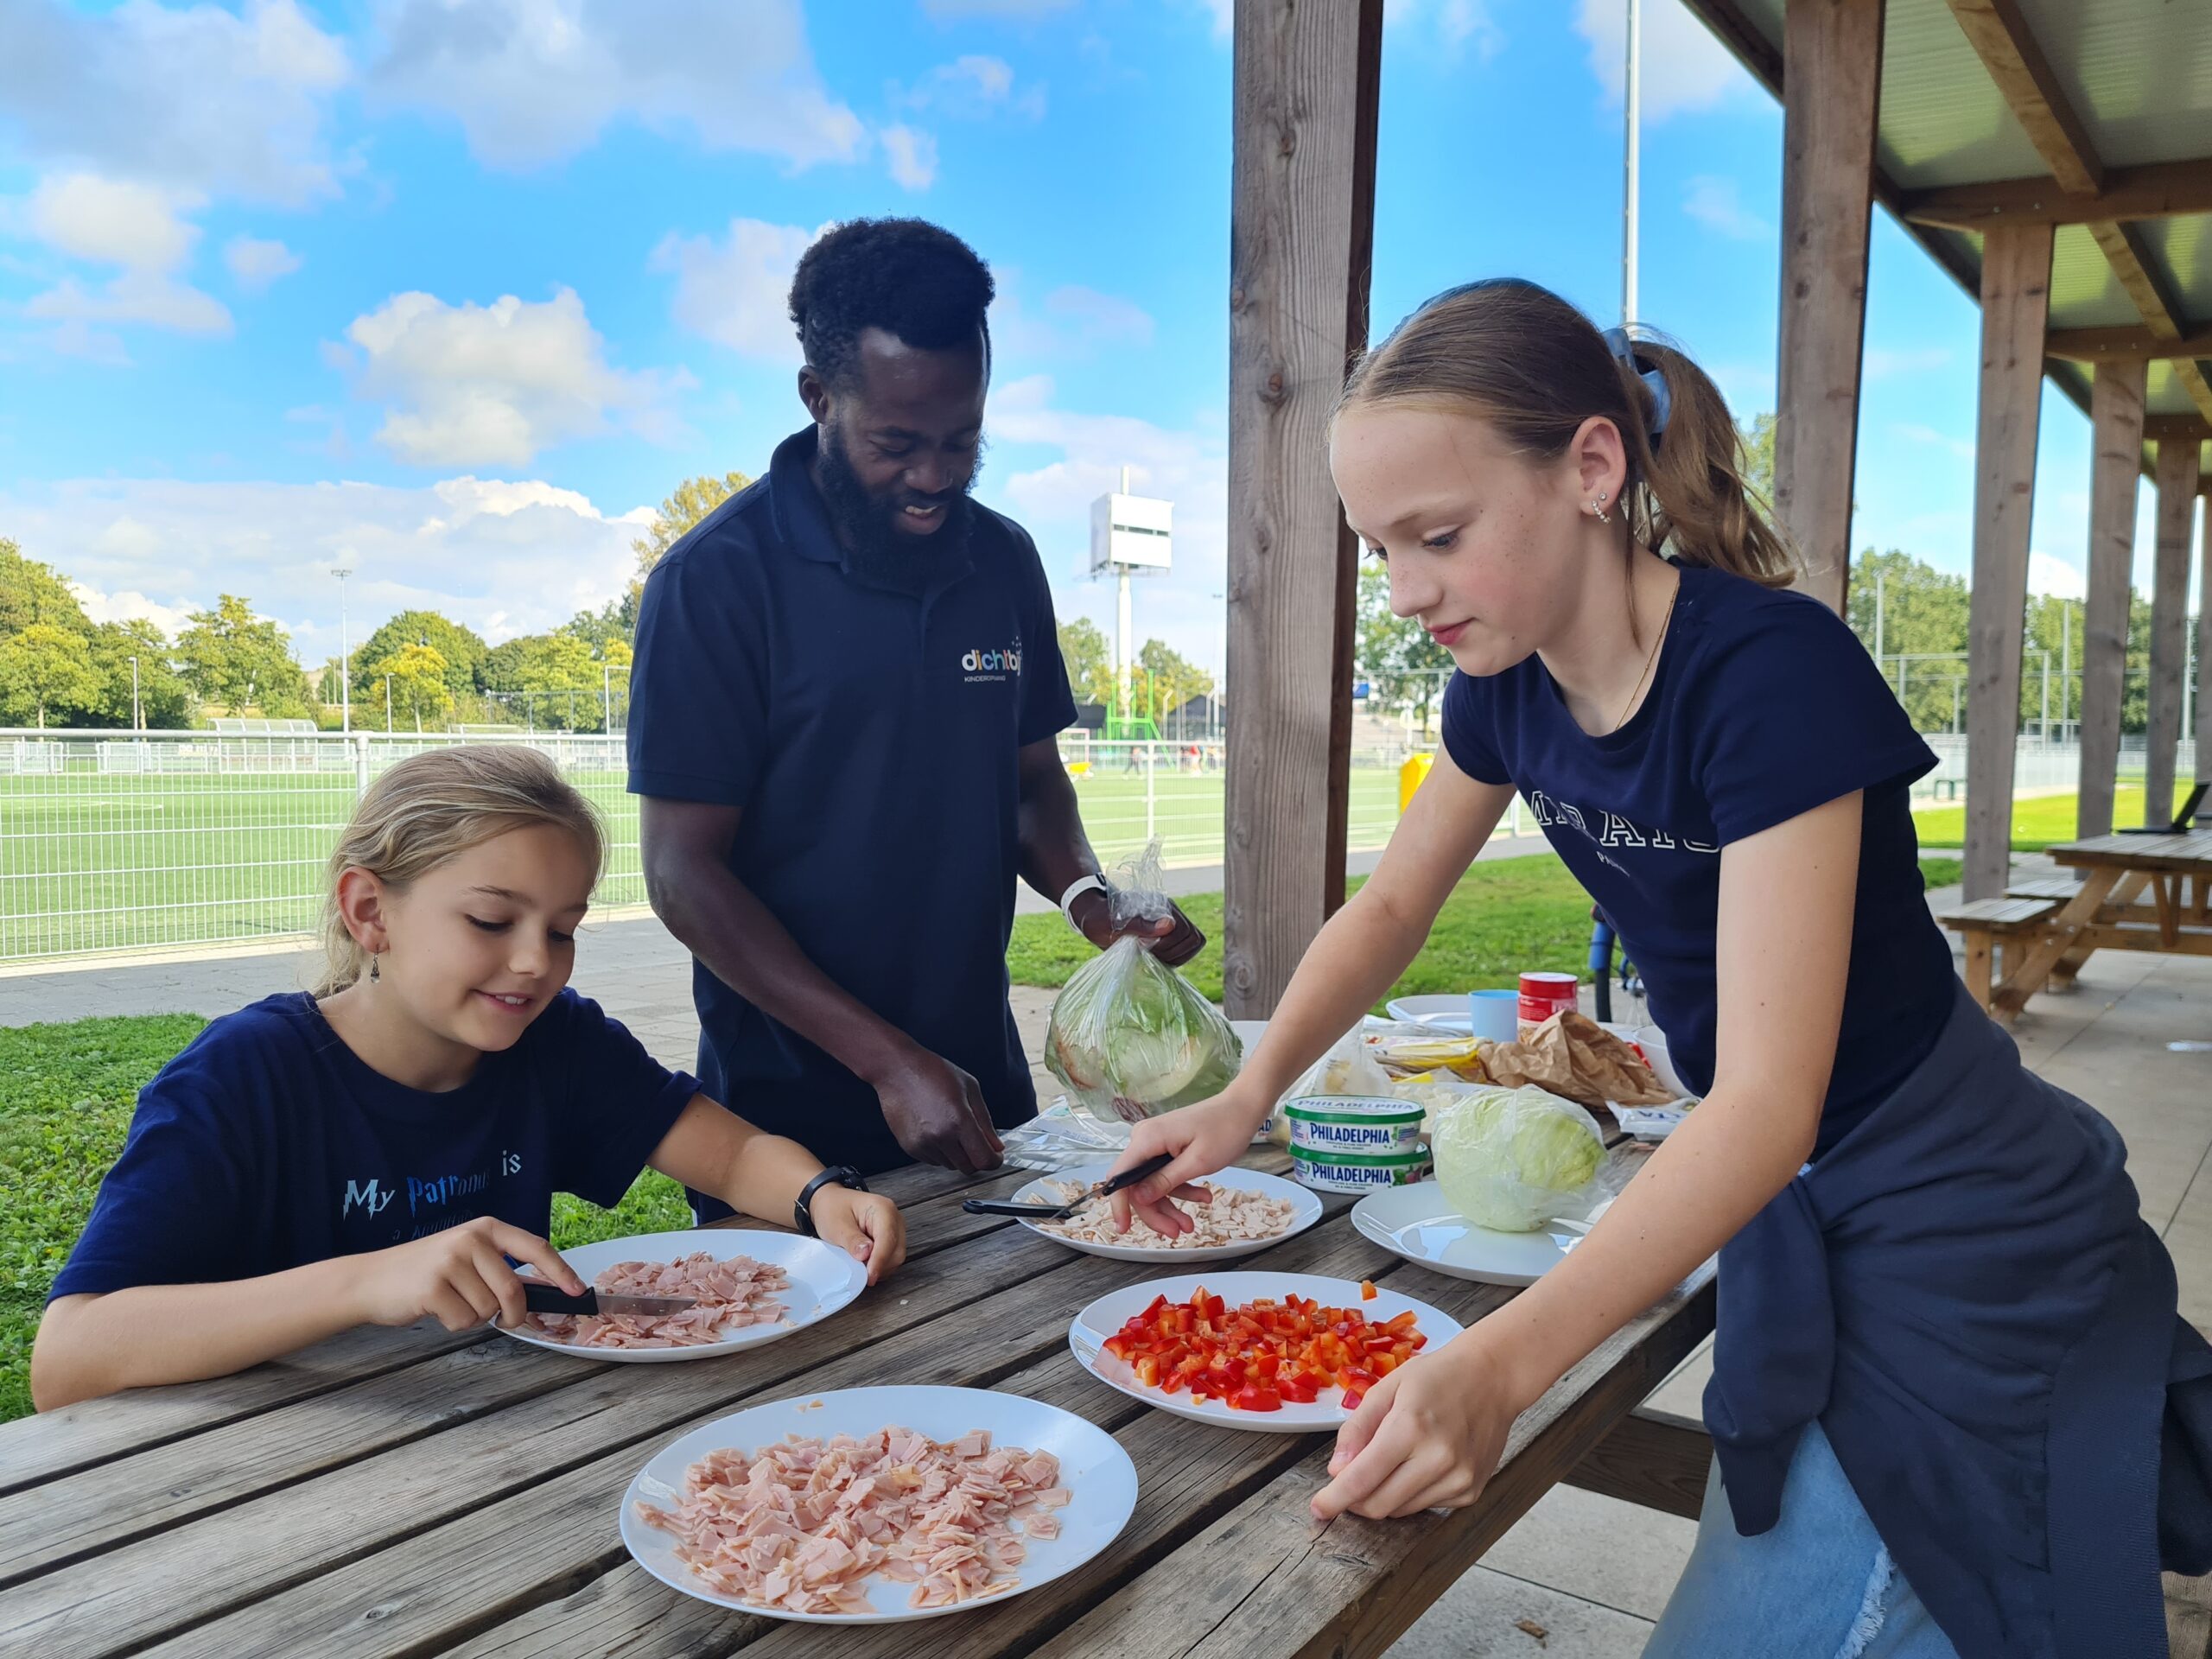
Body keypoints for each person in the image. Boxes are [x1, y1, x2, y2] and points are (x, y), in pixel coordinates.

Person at [1105, 278, 2212, 1658]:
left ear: (1590, 466)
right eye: (1379, 549)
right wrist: (1245, 1089)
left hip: (1946, 1202)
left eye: (1437, 536)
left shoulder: (1769, 674)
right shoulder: (1501, 684)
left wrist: (1503, 1365)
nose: (1404, 593)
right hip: (1785, 1196)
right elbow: (1391, 907)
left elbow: (1764, 1102)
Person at [30, 747, 905, 1410]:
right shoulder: (241, 1079)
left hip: (494, 1436)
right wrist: (367, 1282)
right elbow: (67, 1359)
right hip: (261, 1472)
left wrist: (820, 1194)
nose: (534, 962)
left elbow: (731, 1153)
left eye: (562, 929)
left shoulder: (555, 1044)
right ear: (370, 911)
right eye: (492, 920)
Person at [628, 217, 1199, 1206]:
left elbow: (1026, 786)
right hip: (785, 1122)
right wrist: (887, 1061)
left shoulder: (1003, 560)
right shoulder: (714, 582)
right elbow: (684, 873)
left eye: (962, 440)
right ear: (818, 398)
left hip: (981, 1088)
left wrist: (1094, 905)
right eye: (896, 444)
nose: (934, 477)